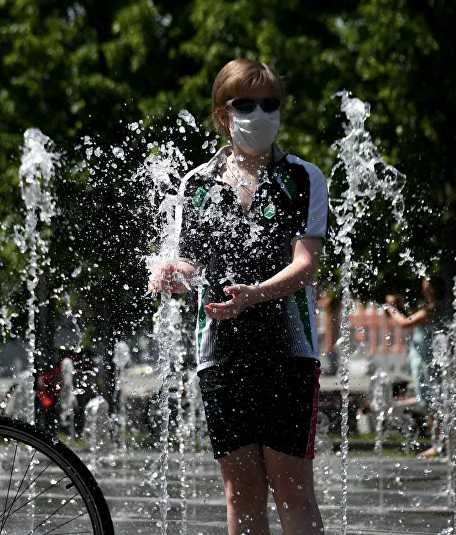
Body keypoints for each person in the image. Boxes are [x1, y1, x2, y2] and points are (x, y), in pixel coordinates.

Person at [150, 59, 327, 535]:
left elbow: (306, 265)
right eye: (246, 104)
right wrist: (171, 273)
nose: (260, 113)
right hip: (220, 354)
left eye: (270, 103)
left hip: (289, 352)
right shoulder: (198, 184)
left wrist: (254, 295)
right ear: (223, 115)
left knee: (293, 489)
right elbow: (191, 265)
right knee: (240, 493)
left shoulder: (304, 178)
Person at [383, 277, 446, 458]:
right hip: (426, 359)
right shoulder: (434, 308)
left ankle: (439, 445)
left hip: (428, 361)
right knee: (430, 402)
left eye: (427, 287)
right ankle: (439, 444)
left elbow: (405, 322)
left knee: (432, 403)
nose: (424, 290)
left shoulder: (432, 309)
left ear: (433, 289)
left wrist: (391, 309)